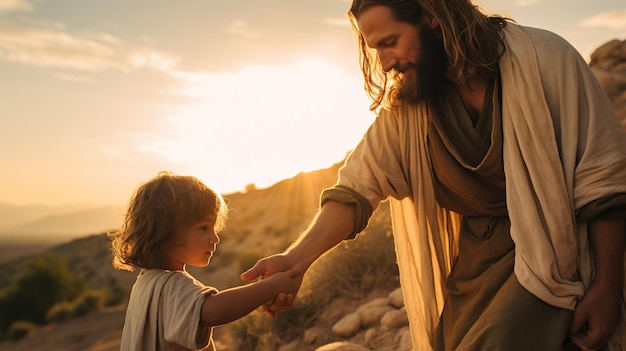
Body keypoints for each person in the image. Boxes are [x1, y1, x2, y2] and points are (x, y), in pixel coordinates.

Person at [241, 0, 626, 350]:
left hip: (557, 246)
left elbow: (602, 179)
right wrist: (295, 262)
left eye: (390, 41)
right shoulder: (409, 109)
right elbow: (356, 187)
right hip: (478, 265)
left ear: (430, 16)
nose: (386, 63)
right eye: (376, 49)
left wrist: (608, 287)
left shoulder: (546, 58)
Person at [109, 171, 297, 351]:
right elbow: (213, 310)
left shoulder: (146, 283)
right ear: (166, 231)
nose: (215, 239)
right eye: (203, 228)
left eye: (214, 228)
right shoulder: (170, 284)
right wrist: (271, 287)